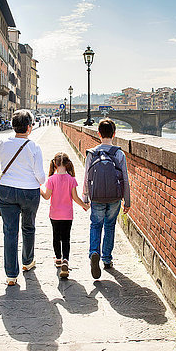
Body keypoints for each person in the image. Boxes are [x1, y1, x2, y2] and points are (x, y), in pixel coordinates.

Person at [0, 109, 45, 286]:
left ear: (13, 126)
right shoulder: (34, 146)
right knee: (28, 227)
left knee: (9, 231)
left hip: (7, 190)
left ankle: (11, 275)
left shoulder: (3, 142)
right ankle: (27, 261)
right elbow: (41, 177)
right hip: (29, 192)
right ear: (29, 127)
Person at [82, 118, 131, 279]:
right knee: (110, 226)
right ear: (114, 134)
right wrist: (127, 201)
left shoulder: (92, 153)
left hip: (96, 196)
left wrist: (85, 196)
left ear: (99, 134)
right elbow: (124, 178)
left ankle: (94, 252)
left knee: (96, 225)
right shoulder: (119, 153)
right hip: (114, 197)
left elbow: (86, 176)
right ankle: (107, 259)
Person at [41, 152, 89, 279]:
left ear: (55, 165)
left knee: (56, 236)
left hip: (55, 214)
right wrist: (84, 206)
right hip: (67, 215)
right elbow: (75, 197)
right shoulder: (71, 179)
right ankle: (66, 260)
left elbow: (46, 196)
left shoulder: (51, 179)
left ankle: (58, 258)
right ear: (67, 164)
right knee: (66, 238)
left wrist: (39, 188)